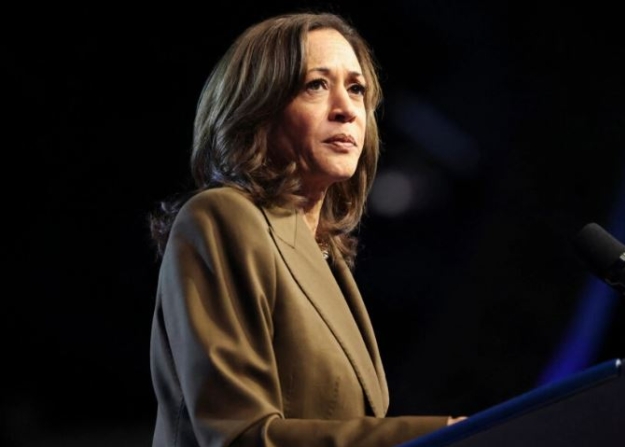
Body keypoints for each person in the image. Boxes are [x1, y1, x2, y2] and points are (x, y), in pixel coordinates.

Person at [147, 10, 465, 447]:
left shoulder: (326, 254)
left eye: (357, 89)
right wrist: (437, 436)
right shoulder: (220, 218)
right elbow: (238, 436)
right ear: (258, 107)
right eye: (316, 85)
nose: (346, 110)